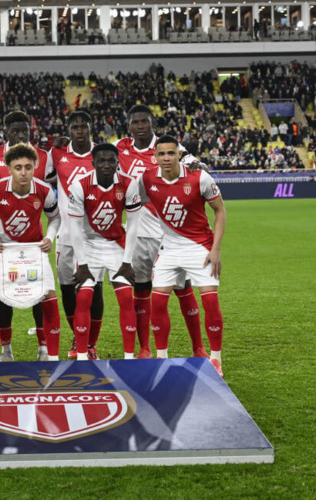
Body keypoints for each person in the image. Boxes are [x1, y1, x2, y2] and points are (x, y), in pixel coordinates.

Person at [114, 104, 208, 360]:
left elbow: (193, 163)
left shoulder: (166, 147)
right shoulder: (120, 147)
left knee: (182, 288)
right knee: (141, 289)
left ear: (152, 123)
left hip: (170, 234)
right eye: (135, 122)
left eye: (144, 121)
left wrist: (198, 166)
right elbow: (93, 156)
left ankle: (198, 347)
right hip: (138, 234)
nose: (140, 126)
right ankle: (145, 348)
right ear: (129, 125)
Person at [136, 136, 226, 376]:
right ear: (155, 157)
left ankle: (215, 359)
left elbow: (220, 209)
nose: (166, 158)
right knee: (158, 302)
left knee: (210, 302)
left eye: (170, 153)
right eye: (161, 154)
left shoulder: (199, 177)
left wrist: (215, 249)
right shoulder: (146, 179)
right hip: (168, 248)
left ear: (179, 154)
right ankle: (161, 357)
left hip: (200, 247)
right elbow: (131, 203)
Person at [0, 111, 55, 361]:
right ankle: (5, 352)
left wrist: (50, 237)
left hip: (33, 247)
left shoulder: (44, 174)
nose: (23, 172)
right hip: (2, 246)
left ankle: (45, 350)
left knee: (41, 296)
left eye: (28, 167)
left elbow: (54, 211)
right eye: (18, 168)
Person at [68, 143, 141, 360]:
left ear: (118, 163)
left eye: (111, 161)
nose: (107, 165)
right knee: (83, 298)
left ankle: (129, 359)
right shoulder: (79, 185)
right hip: (88, 245)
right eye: (102, 161)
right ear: (93, 163)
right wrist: (82, 264)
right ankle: (83, 356)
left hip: (116, 244)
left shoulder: (129, 183)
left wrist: (127, 262)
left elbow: (133, 225)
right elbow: (75, 228)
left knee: (126, 297)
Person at [49, 112, 104, 358]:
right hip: (65, 234)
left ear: (91, 127)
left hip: (94, 236)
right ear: (69, 129)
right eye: (75, 126)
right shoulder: (57, 154)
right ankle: (77, 337)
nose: (80, 130)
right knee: (67, 289)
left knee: (95, 288)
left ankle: (90, 344)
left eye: (84, 126)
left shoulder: (101, 154)